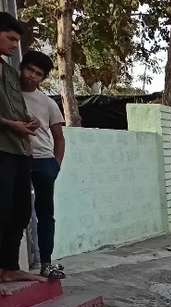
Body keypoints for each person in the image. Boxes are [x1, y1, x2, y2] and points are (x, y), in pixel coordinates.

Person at [0, 13, 44, 287]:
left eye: (17, 40)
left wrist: (28, 120)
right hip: (2, 148)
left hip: (20, 150)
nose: (15, 45)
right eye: (10, 38)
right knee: (2, 209)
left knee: (20, 211)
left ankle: (9, 268)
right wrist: (10, 124)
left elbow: (15, 106)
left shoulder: (9, 71)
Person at [20, 50, 65, 279]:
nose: (32, 76)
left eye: (38, 74)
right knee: (17, 211)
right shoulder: (9, 95)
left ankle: (46, 263)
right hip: (17, 158)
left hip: (44, 161)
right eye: (29, 69)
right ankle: (12, 265)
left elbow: (59, 138)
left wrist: (56, 165)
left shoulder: (48, 103)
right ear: (21, 67)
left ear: (43, 78)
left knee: (45, 214)